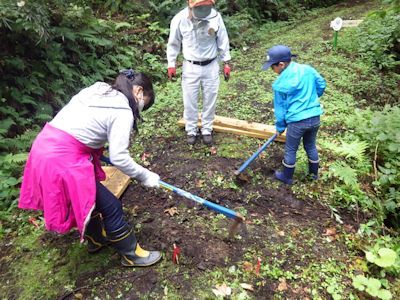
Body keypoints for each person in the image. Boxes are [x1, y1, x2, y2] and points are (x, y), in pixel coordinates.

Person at [19, 69, 162, 267]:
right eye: (143, 103)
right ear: (138, 91)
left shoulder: (97, 89)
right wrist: (145, 176)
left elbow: (81, 127)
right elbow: (119, 157)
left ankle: (95, 240)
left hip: (44, 148)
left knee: (92, 197)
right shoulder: (122, 110)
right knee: (112, 206)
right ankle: (131, 254)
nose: (139, 109)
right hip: (62, 159)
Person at [167, 0, 231, 145]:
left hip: (211, 65)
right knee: (190, 100)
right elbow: (173, 43)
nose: (203, 10)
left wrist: (226, 62)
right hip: (190, 66)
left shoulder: (216, 17)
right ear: (191, 5)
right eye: (200, 7)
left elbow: (223, 40)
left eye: (206, 7)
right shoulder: (179, 19)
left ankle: (207, 129)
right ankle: (191, 129)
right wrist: (171, 64)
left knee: (210, 98)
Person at [262, 45, 326, 185]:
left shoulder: (279, 84)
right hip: (315, 117)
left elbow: (281, 110)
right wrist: (313, 98)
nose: (273, 71)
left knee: (291, 149)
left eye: (273, 67)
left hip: (297, 122)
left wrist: (280, 127)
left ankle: (287, 177)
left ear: (281, 64)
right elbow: (321, 84)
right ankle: (313, 175)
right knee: (310, 145)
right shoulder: (307, 69)